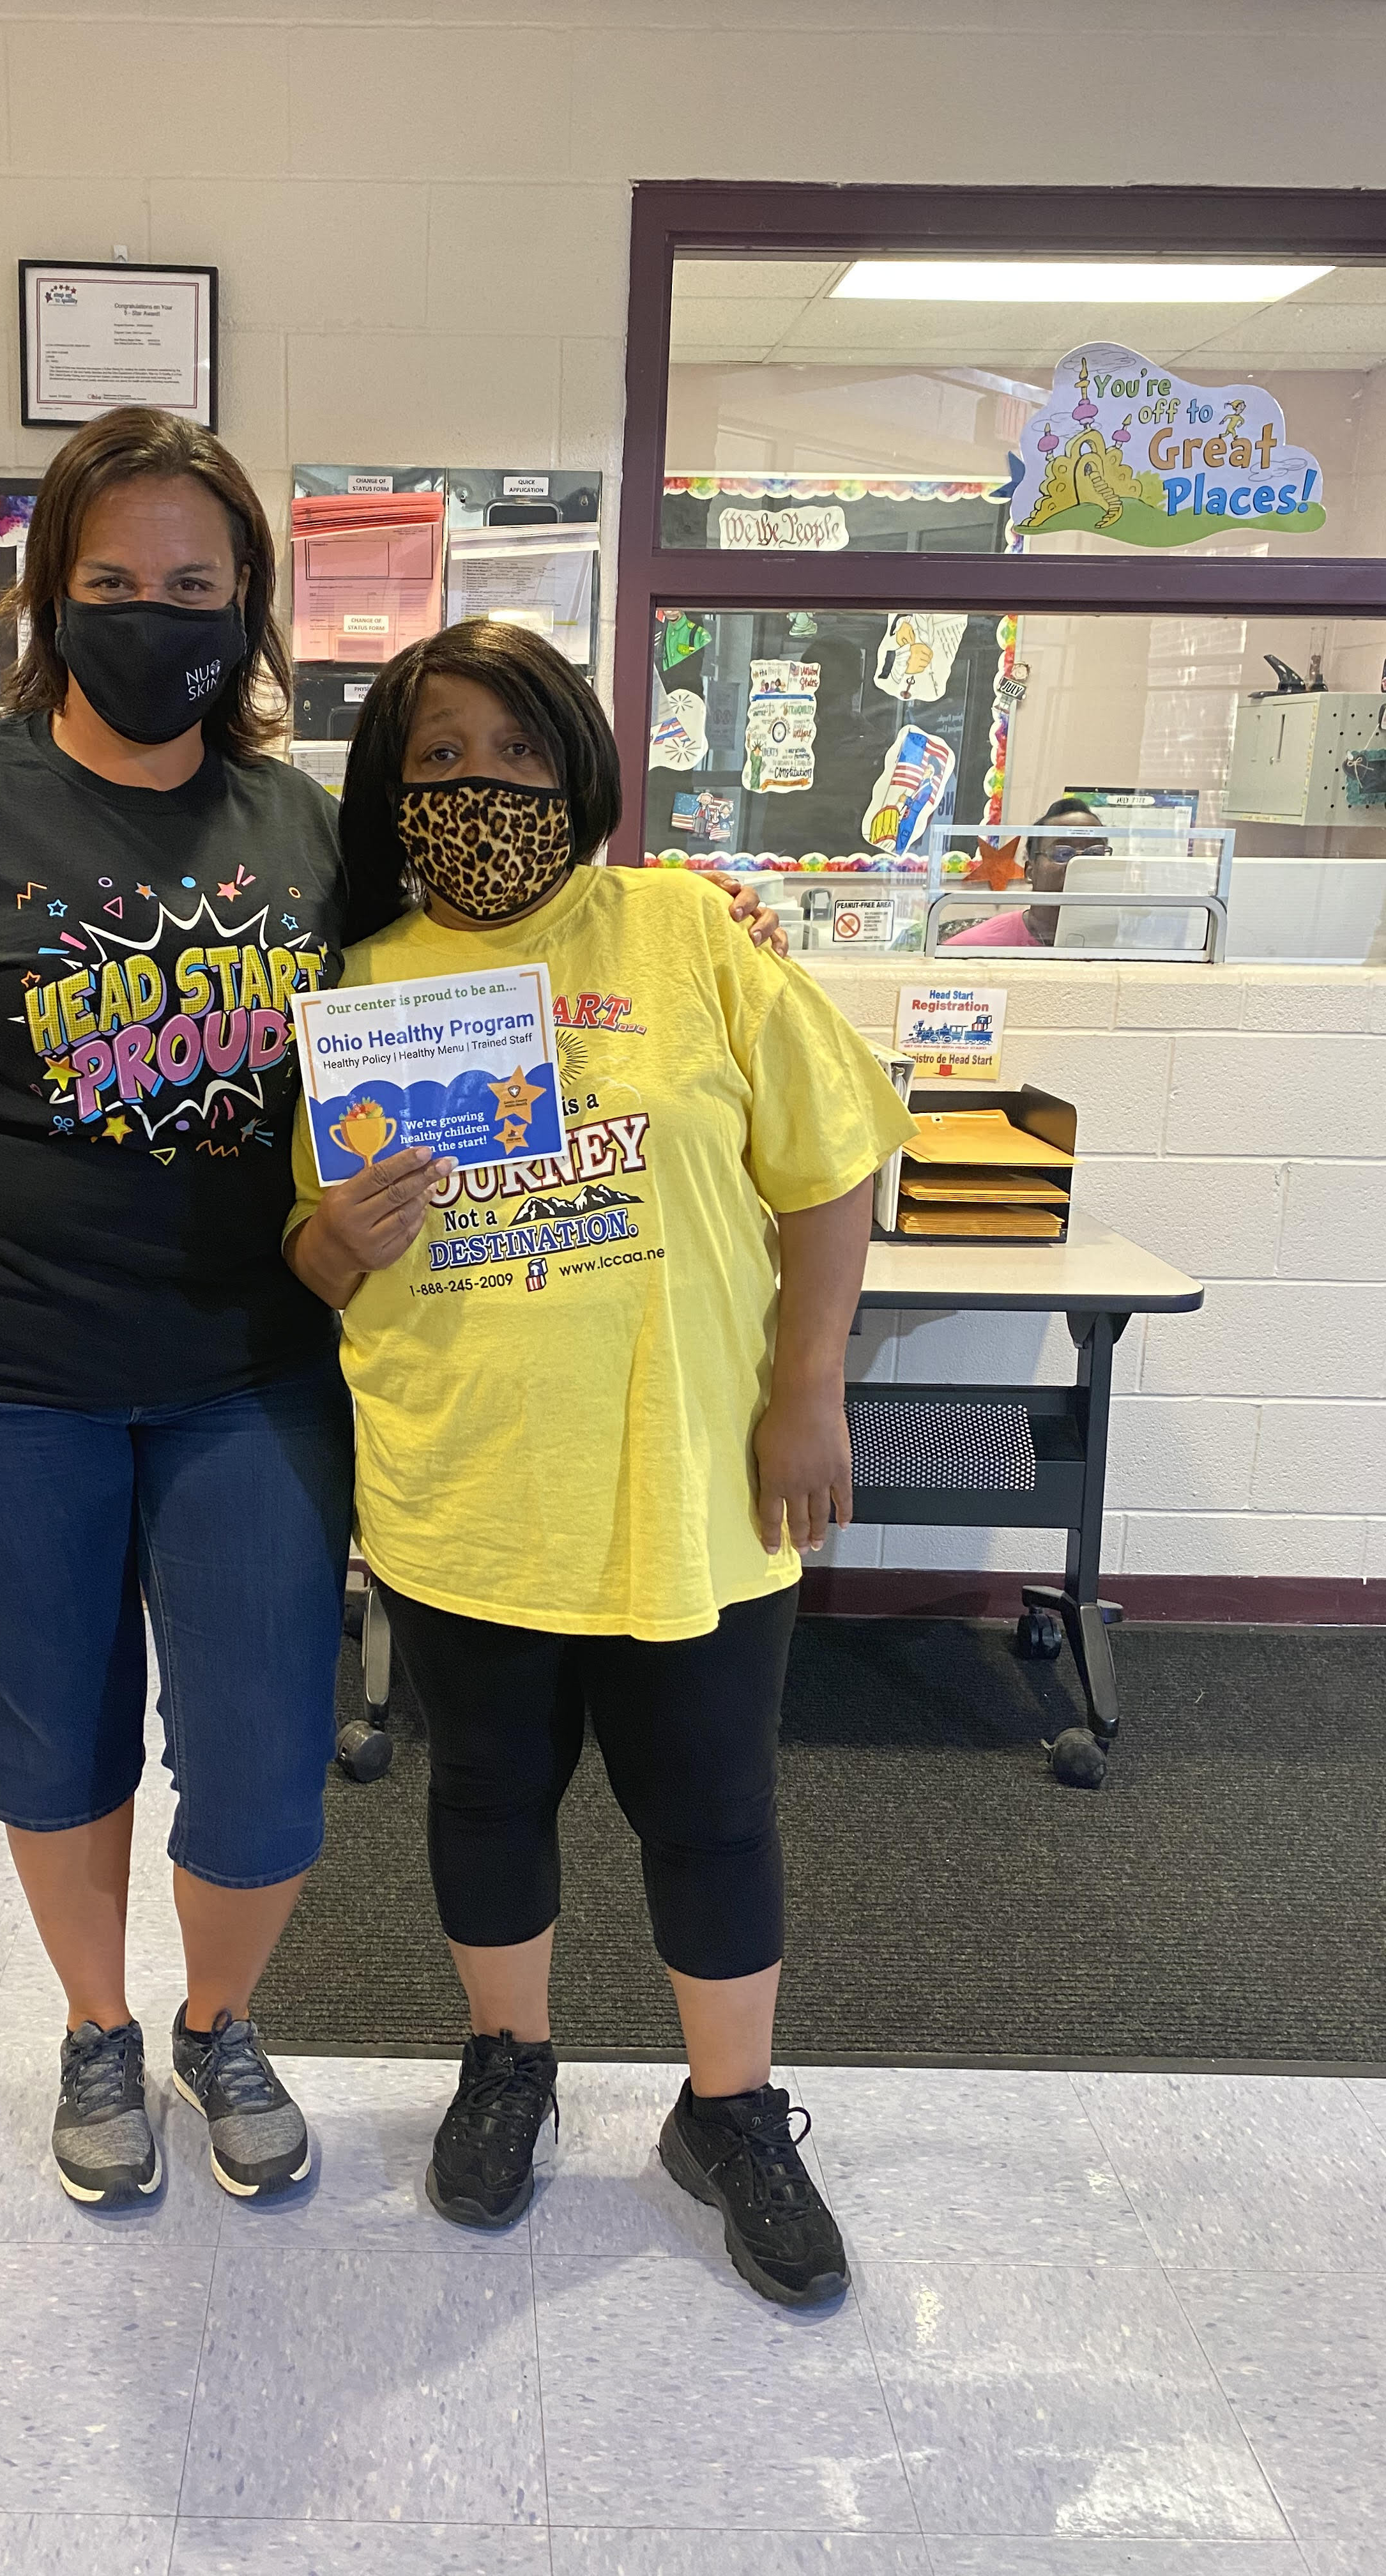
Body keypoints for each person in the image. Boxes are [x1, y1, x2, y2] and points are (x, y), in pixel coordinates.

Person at [0, 411, 787, 2218]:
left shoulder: (307, 827)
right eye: (114, 586)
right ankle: (99, 2022)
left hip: (259, 1370)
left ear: (246, 610)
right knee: (55, 1731)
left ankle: (220, 2017)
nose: (152, 617)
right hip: (6, 1377)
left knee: (258, 1762)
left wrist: (695, 916)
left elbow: (491, 938)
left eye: (193, 586)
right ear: (49, 597)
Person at [284, 620, 916, 2306]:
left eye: (515, 752)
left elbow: (830, 1164)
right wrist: (332, 1233)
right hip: (466, 1487)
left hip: (695, 1491)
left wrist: (811, 1388)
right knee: (490, 1799)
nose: (479, 788)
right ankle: (512, 2065)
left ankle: (732, 2113)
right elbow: (316, 1255)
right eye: (439, 761)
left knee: (710, 1814)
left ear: (576, 762)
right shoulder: (363, 984)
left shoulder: (689, 930)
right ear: (390, 790)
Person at [944, 795, 1108, 946]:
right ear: (1030, 871)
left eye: (1094, 853)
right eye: (1063, 853)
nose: (1078, 864)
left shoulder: (1121, 943)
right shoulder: (974, 946)